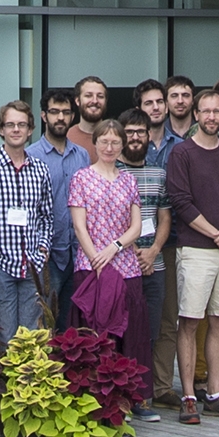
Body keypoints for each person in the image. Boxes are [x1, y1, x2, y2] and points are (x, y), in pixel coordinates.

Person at [167, 89, 219, 424]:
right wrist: (216, 233)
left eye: (217, 111)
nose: (212, 117)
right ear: (196, 115)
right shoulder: (182, 154)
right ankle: (189, 395)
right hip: (196, 249)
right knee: (190, 321)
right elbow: (181, 202)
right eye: (206, 111)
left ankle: (215, 393)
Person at [68, 121, 150, 370]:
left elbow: (136, 227)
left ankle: (130, 397)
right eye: (104, 141)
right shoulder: (81, 178)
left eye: (115, 142)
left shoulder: (129, 182)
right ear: (95, 143)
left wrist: (114, 247)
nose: (109, 147)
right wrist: (96, 260)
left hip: (126, 267)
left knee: (130, 332)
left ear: (122, 145)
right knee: (94, 334)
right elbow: (79, 226)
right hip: (90, 266)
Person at [118, 116, 173, 423]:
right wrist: (133, 252)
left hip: (155, 264)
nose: (136, 137)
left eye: (141, 131)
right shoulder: (113, 173)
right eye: (130, 132)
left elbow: (165, 218)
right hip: (123, 265)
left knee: (148, 334)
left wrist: (152, 252)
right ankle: (121, 396)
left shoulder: (159, 173)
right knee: (123, 333)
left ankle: (142, 396)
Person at [0, 102, 56, 332]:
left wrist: (43, 249)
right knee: (5, 336)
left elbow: (46, 216)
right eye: (10, 124)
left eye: (21, 125)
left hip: (32, 265)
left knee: (31, 336)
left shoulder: (40, 170)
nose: (16, 129)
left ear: (30, 129)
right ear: (1, 129)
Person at [30, 91, 95, 327]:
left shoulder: (82, 156)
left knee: (74, 324)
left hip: (78, 253)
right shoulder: (32, 157)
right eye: (55, 112)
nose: (60, 118)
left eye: (66, 113)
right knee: (44, 322)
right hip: (48, 254)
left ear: (73, 116)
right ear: (44, 116)